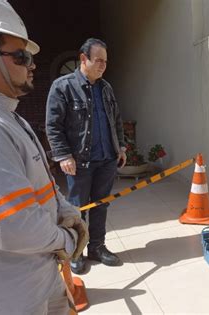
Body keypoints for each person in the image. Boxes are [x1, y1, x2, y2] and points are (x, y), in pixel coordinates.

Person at [0, 1, 88, 314]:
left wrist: (67, 211)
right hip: (10, 297)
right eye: (21, 56)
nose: (32, 64)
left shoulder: (8, 118)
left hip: (39, 278)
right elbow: (15, 227)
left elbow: (43, 186)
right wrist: (67, 240)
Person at [46, 37, 126, 274]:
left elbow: (116, 120)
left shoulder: (106, 87)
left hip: (107, 159)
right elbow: (53, 126)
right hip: (79, 162)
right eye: (98, 60)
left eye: (105, 61)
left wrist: (120, 147)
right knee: (77, 208)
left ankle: (97, 248)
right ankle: (76, 252)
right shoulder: (63, 86)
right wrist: (63, 155)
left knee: (101, 206)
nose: (102, 65)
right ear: (84, 59)